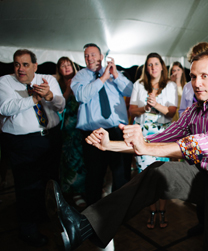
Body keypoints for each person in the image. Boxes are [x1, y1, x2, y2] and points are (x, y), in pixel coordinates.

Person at [54, 51, 208, 251]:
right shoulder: (193, 112)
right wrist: (109, 145)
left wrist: (146, 147)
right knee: (157, 172)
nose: (197, 83)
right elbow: (154, 139)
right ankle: (84, 227)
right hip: (206, 177)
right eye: (193, 76)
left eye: (204, 76)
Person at [0, 49, 66, 247]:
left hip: (50, 139)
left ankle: (44, 217)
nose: (20, 69)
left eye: (25, 64)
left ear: (35, 66)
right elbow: (5, 108)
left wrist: (49, 96)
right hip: (22, 143)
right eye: (17, 64)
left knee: (50, 182)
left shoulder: (47, 79)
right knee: (27, 186)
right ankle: (27, 230)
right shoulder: (5, 82)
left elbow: (61, 106)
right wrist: (34, 99)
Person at [71, 43, 133, 206]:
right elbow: (82, 96)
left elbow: (131, 92)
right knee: (95, 174)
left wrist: (115, 76)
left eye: (93, 54)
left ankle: (121, 208)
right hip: (93, 133)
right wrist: (103, 79)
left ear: (100, 57)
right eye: (86, 56)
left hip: (117, 131)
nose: (89, 58)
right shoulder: (80, 77)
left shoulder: (114, 73)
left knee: (120, 172)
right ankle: (94, 212)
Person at [128, 52, 178, 229]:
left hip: (162, 137)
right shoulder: (139, 85)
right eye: (149, 64)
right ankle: (151, 212)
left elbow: (171, 112)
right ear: (145, 67)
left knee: (162, 175)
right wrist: (145, 107)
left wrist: (156, 105)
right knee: (146, 175)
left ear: (162, 66)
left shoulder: (170, 86)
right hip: (143, 136)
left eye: (156, 64)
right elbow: (132, 110)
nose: (153, 68)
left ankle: (162, 211)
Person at [56, 56, 87, 208]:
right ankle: (70, 192)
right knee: (69, 158)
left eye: (69, 64)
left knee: (82, 158)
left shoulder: (81, 80)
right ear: (59, 70)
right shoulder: (57, 84)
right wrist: (68, 89)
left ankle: (81, 191)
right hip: (67, 128)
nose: (67, 67)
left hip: (82, 126)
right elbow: (59, 106)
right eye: (63, 66)